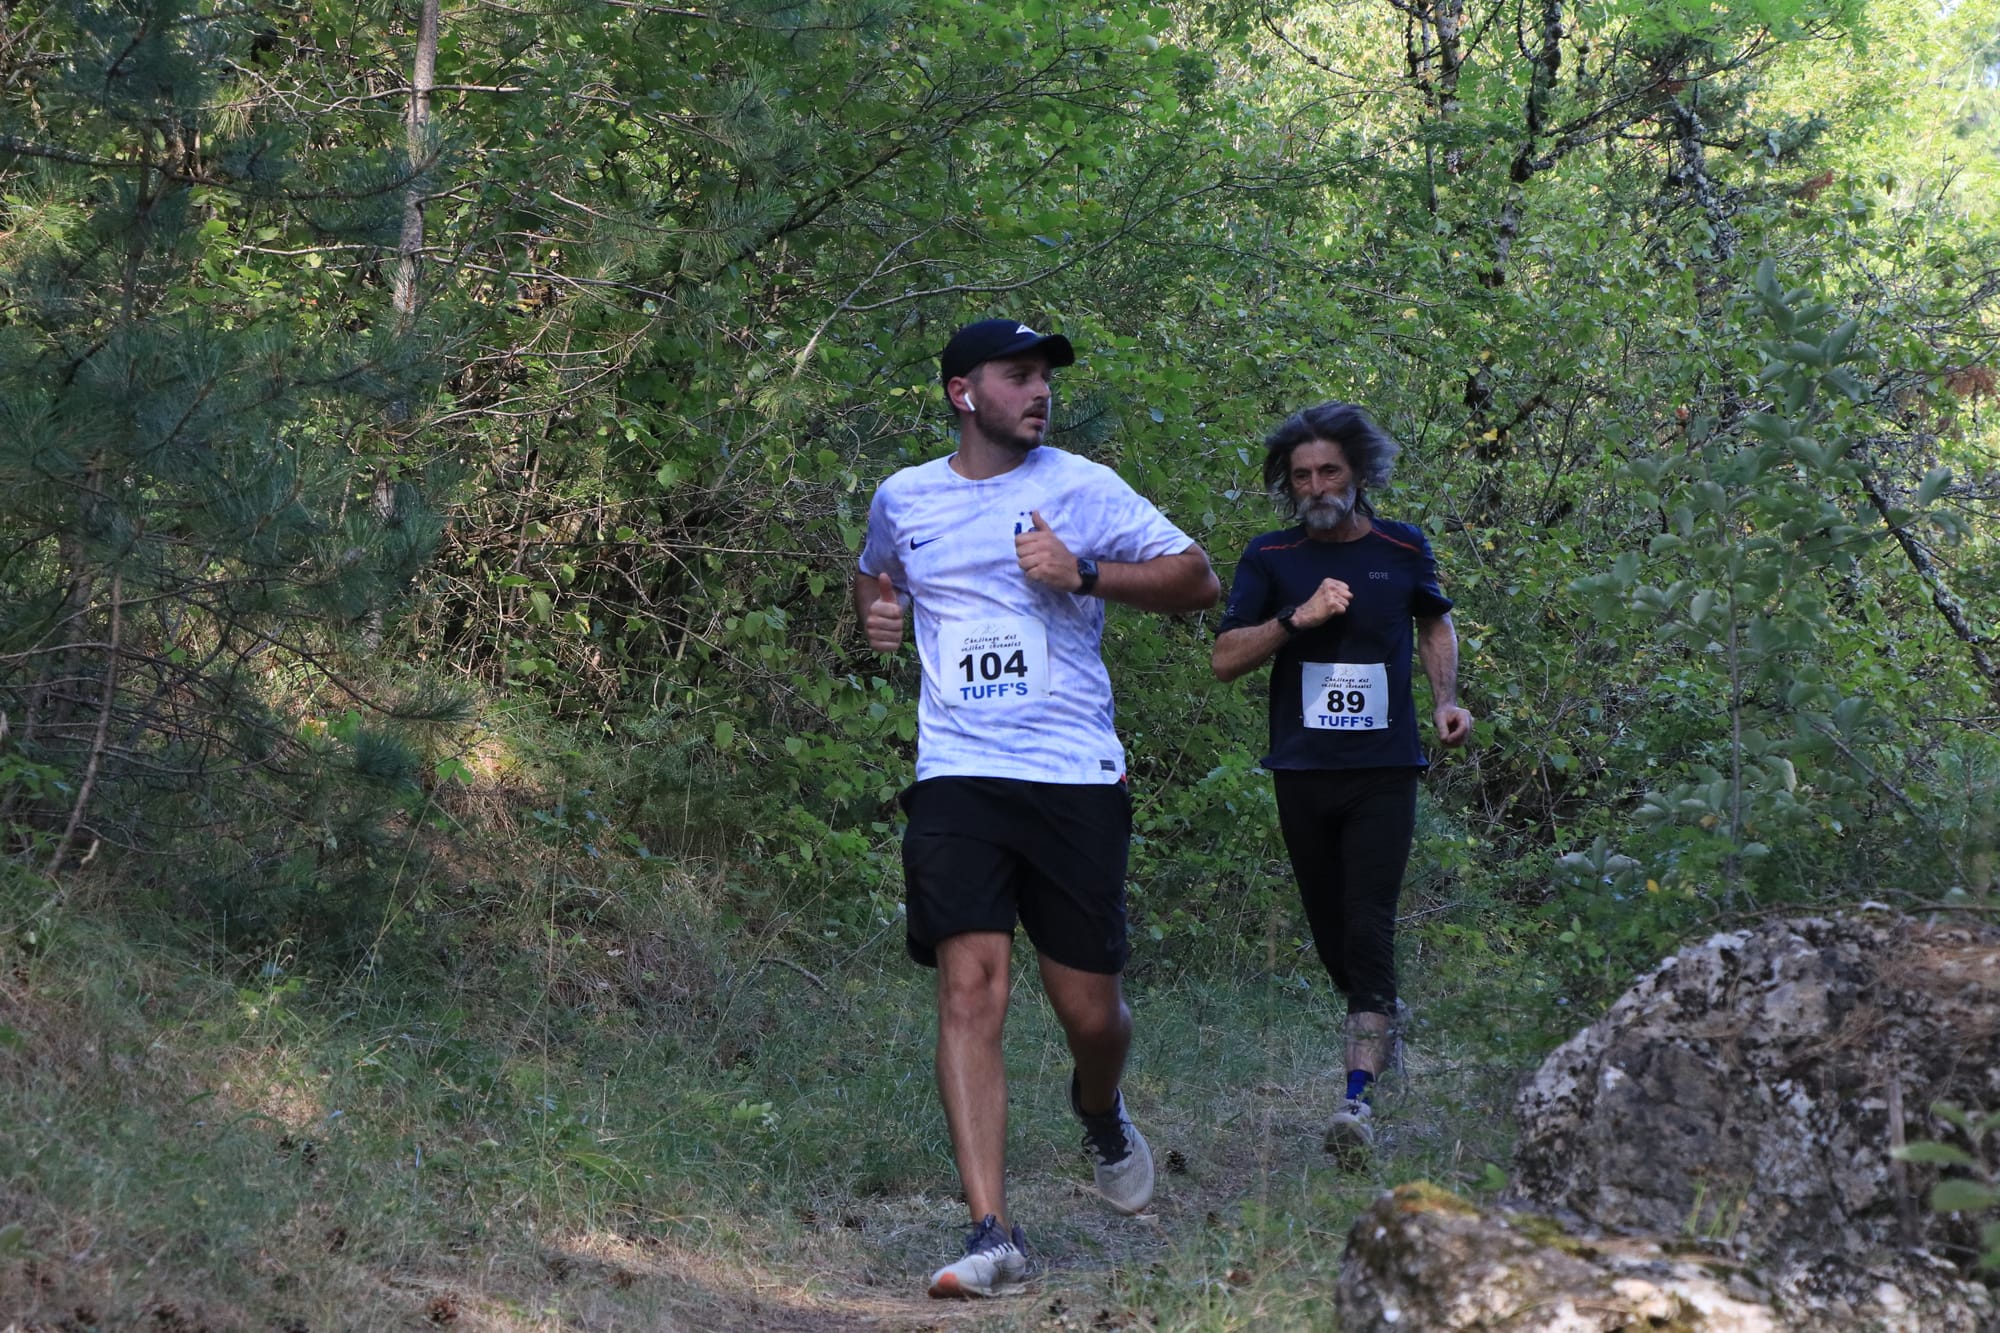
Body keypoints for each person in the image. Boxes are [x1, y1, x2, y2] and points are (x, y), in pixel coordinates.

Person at [855, 317, 1219, 1298]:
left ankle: (1099, 1108)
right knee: (970, 991)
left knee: (1089, 1014)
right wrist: (874, 615)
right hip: (957, 773)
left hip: (1071, 776)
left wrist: (1084, 573)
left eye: (1043, 377)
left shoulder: (1081, 487)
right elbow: (874, 572)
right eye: (1017, 376)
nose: (1038, 391)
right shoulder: (905, 496)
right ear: (961, 393)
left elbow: (1197, 579)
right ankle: (991, 1231)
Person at [1210, 401, 1472, 1162]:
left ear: (1359, 474)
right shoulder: (1272, 557)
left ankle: (1354, 1103)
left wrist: (1447, 701)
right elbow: (1226, 658)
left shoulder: (1401, 546)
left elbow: (1433, 622)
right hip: (1303, 769)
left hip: (1385, 770)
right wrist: (1299, 618)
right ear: (1286, 485)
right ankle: (1382, 1013)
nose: (1316, 484)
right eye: (1301, 475)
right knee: (1334, 936)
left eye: (1329, 470)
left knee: (1369, 924)